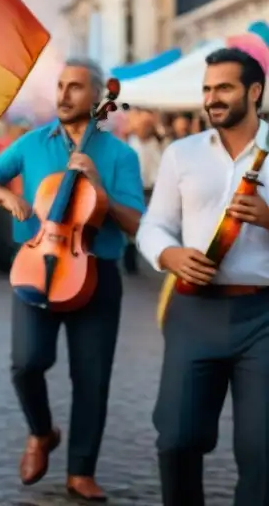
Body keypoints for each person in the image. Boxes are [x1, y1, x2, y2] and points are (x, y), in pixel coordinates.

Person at [0, 57, 145, 502]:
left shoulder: (120, 155)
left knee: (92, 378)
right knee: (26, 362)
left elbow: (132, 222)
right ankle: (41, 431)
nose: (64, 95)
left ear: (95, 97)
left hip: (96, 272)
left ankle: (81, 470)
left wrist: (98, 191)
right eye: (61, 86)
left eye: (75, 87)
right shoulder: (31, 143)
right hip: (37, 264)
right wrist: (6, 198)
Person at [137, 44, 269, 506]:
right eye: (207, 89)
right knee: (176, 439)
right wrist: (169, 254)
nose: (212, 97)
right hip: (193, 311)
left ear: (254, 91)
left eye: (224, 88)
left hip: (263, 316)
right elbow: (153, 225)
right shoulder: (181, 154)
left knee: (262, 456)